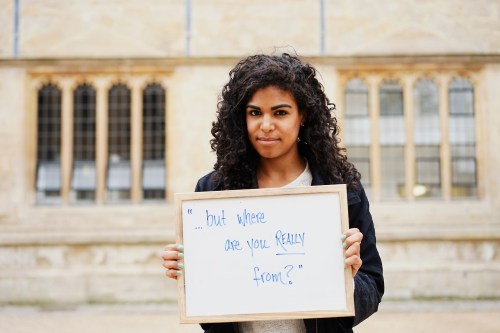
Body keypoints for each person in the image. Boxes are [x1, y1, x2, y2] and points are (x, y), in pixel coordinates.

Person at [161, 53, 384, 333]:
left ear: (302, 115)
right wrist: (189, 273)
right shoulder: (213, 192)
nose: (266, 125)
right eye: (255, 113)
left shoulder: (343, 190)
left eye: (280, 112)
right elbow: (211, 313)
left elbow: (373, 286)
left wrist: (349, 279)